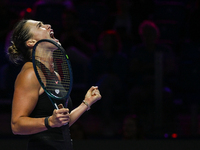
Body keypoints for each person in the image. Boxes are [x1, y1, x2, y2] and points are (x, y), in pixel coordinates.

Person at [8, 19, 101, 150]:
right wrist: (49, 121)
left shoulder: (54, 75)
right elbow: (16, 125)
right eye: (40, 26)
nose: (48, 25)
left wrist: (86, 103)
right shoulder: (30, 74)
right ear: (31, 42)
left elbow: (61, 124)